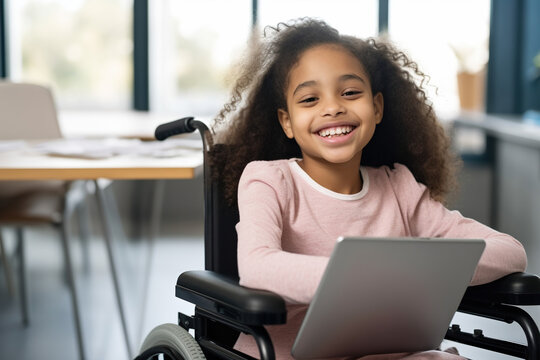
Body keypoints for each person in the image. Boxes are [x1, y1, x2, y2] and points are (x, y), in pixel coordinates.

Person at [210, 18, 527, 360]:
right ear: (287, 121)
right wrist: (362, 278)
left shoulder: (399, 187)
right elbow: (259, 268)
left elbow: (510, 251)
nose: (332, 107)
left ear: (376, 107)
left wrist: (416, 271)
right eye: (310, 99)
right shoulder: (268, 180)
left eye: (349, 92)